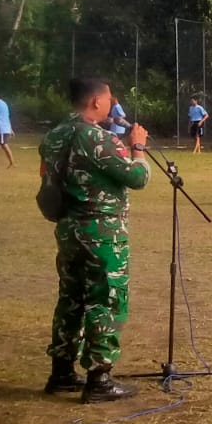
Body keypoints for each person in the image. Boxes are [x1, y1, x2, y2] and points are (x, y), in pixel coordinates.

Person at [39, 77, 150, 403]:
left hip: (68, 229)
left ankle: (61, 371)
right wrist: (138, 148)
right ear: (95, 103)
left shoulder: (54, 136)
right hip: (102, 234)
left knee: (70, 300)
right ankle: (99, 378)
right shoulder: (99, 139)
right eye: (108, 100)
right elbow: (137, 177)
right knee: (105, 299)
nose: (111, 105)